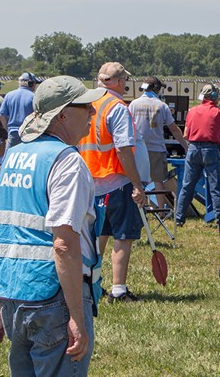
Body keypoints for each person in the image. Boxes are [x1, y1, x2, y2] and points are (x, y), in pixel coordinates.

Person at [0, 75, 105, 377]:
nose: (92, 113)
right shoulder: (67, 162)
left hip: (13, 296)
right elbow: (63, 244)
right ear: (62, 115)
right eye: (85, 106)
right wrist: (76, 316)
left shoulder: (12, 157)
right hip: (54, 298)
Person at [78, 62, 147, 302]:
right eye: (125, 81)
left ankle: (91, 283)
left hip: (89, 181)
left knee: (96, 237)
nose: (127, 85)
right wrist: (137, 184)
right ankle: (119, 289)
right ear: (117, 82)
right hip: (116, 181)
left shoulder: (85, 103)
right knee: (122, 236)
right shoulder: (116, 106)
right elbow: (123, 149)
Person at [175, 83, 220, 226]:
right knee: (215, 186)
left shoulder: (192, 111)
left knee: (187, 186)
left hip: (193, 149)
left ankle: (179, 218)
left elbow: (186, 134)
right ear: (214, 96)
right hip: (210, 150)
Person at [128, 76, 188, 210]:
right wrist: (185, 146)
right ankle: (160, 210)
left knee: (137, 180)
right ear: (157, 89)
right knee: (158, 180)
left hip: (138, 148)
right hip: (157, 148)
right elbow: (174, 129)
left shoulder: (133, 104)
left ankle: (138, 209)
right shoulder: (162, 105)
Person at [0, 72, 38, 149]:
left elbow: (1, 115)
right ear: (30, 83)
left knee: (9, 159)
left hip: (12, 133)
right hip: (28, 134)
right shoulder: (34, 97)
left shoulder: (9, 95)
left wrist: (8, 129)